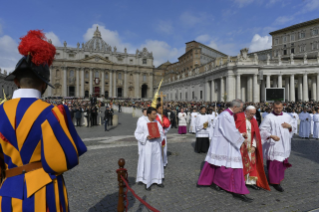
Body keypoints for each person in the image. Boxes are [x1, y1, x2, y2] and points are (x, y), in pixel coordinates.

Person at [0, 29, 87, 210]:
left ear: (16, 81)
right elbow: (65, 160)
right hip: (45, 193)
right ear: (43, 85)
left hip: (8, 191)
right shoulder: (53, 113)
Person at [198, 99, 252, 202]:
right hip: (225, 144)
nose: (240, 111)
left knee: (226, 164)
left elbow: (230, 130)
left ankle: (230, 186)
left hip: (227, 142)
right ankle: (233, 187)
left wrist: (239, 135)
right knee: (230, 165)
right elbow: (229, 131)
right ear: (235, 107)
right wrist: (241, 140)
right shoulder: (226, 116)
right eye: (240, 109)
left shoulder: (227, 115)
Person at [259, 101, 295, 192]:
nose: (278, 110)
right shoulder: (268, 117)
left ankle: (279, 177)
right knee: (274, 163)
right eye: (276, 108)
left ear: (282, 107)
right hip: (274, 143)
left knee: (281, 161)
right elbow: (262, 130)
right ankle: (275, 182)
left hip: (284, 143)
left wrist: (289, 126)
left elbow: (293, 126)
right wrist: (271, 136)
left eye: (279, 108)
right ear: (272, 107)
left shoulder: (287, 116)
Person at [234, 106, 270, 191]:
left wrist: (254, 145)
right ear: (246, 112)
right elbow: (232, 132)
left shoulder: (254, 121)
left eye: (254, 114)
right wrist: (241, 136)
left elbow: (256, 135)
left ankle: (250, 182)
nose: (253, 115)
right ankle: (241, 181)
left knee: (252, 163)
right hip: (241, 146)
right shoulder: (238, 119)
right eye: (251, 114)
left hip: (250, 146)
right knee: (241, 164)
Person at [135, 107, 164, 191]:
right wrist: (146, 137)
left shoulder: (157, 123)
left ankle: (157, 180)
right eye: (154, 114)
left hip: (156, 146)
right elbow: (137, 134)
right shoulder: (143, 123)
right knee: (148, 163)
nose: (155, 115)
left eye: (156, 113)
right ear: (148, 114)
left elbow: (161, 132)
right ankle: (147, 181)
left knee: (157, 162)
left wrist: (159, 136)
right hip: (147, 146)